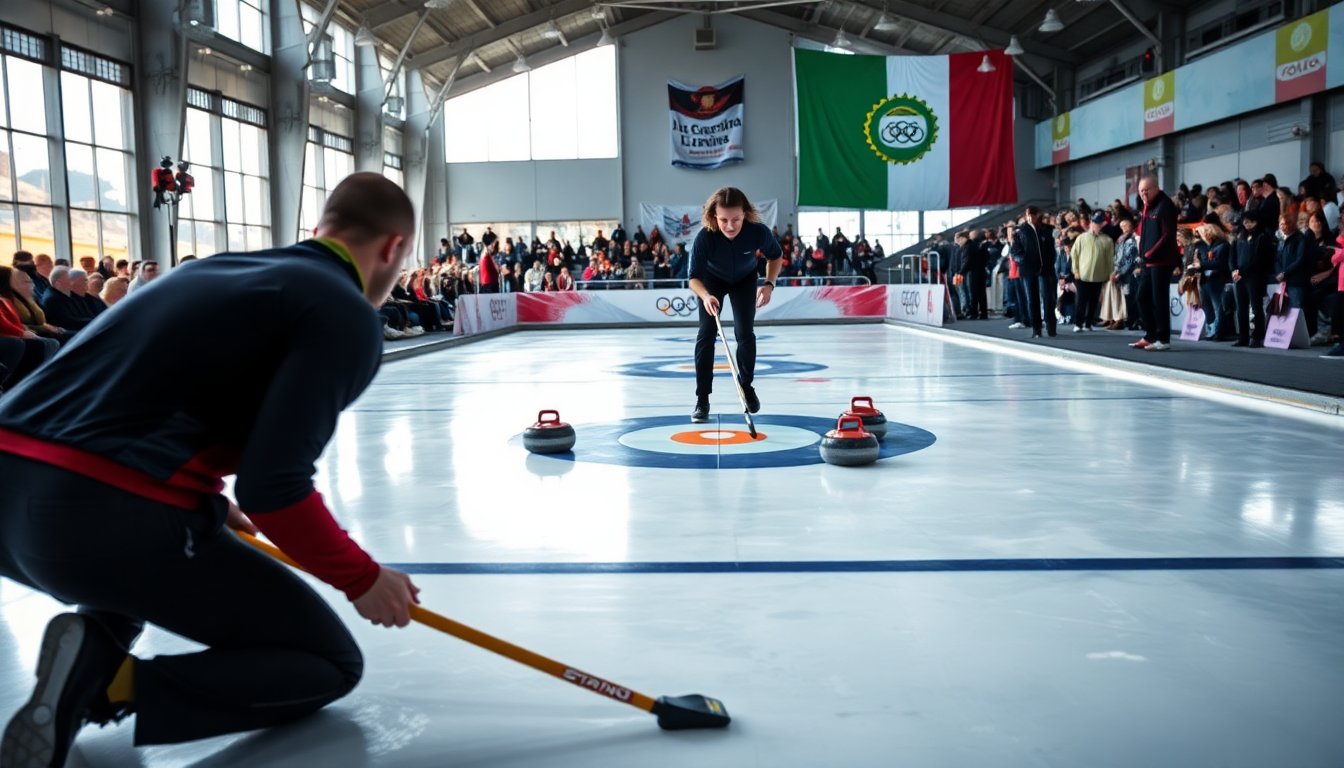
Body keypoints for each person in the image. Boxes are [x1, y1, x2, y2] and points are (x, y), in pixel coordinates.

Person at [0, 173, 422, 767]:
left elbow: (102, 393)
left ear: (319, 230)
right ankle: (107, 684)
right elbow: (274, 487)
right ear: (393, 248)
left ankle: (90, 648)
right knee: (328, 663)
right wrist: (360, 576)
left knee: (149, 557)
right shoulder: (344, 313)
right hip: (91, 513)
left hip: (12, 491)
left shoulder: (209, 272)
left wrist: (201, 497)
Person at [687, 186, 782, 423]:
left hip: (745, 280)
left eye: (736, 219)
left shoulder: (757, 232)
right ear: (713, 217)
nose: (730, 226)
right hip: (711, 283)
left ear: (745, 214)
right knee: (706, 334)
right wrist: (706, 295)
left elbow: (775, 256)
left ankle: (746, 386)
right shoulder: (705, 237)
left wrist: (769, 284)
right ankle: (702, 399)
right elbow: (693, 279)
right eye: (724, 220)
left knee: (744, 333)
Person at [1132, 174, 1179, 350]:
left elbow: (1167, 235)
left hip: (1162, 260)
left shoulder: (1165, 205)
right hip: (1148, 262)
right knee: (1141, 297)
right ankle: (1150, 335)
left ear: (1156, 188)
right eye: (1140, 191)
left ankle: (1163, 339)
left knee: (1159, 300)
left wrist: (1150, 252)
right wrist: (1143, 254)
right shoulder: (1147, 207)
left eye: (1146, 190)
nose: (1143, 194)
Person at [1010, 206, 1057, 338]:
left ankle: (1051, 327)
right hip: (1028, 270)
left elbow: (1053, 249)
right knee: (1032, 300)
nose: (1031, 218)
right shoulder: (1021, 231)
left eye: (1033, 215)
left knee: (1048, 299)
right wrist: (1023, 260)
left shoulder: (1047, 230)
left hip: (1046, 270)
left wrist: (1050, 262)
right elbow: (1014, 251)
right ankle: (1036, 329)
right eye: (1028, 215)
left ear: (1038, 215)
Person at [1070, 212, 1116, 332]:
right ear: (1091, 223)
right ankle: (1078, 323)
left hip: (1099, 276)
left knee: (1093, 302)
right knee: (1081, 300)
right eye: (1095, 222)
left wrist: (1111, 272)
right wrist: (1075, 270)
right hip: (1082, 275)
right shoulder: (1082, 237)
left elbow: (1110, 258)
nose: (1097, 225)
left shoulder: (1107, 240)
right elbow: (1074, 254)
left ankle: (1088, 324)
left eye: (1099, 223)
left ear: (1102, 224)